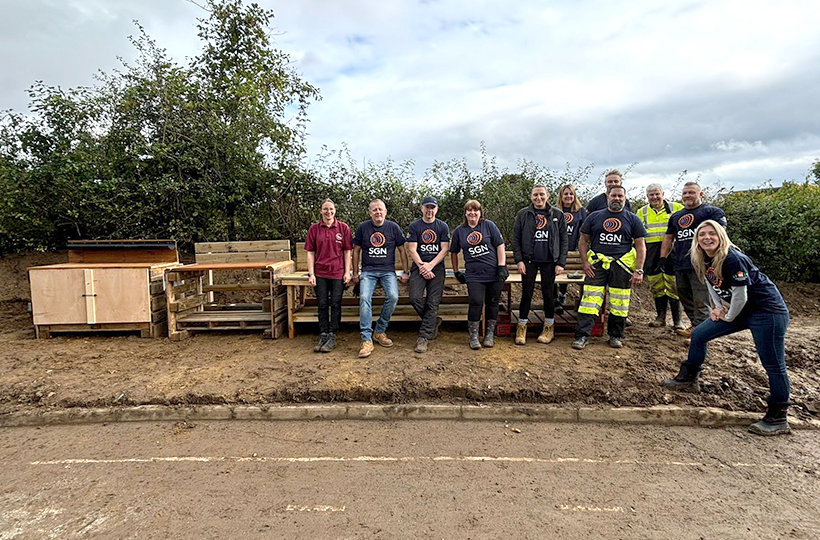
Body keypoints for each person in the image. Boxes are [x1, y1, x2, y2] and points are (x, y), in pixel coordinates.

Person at [663, 220, 791, 436]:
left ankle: (778, 416)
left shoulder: (733, 258)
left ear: (720, 235)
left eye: (712, 233)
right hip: (740, 310)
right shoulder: (702, 257)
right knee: (699, 335)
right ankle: (688, 378)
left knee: (773, 364)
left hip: (767, 313)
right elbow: (712, 284)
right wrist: (718, 308)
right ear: (697, 239)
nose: (707, 238)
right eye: (702, 234)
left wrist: (728, 316)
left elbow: (741, 296)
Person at [572, 185, 646, 350]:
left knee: (619, 303)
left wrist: (638, 270)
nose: (617, 199)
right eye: (614, 196)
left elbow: (641, 246)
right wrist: (585, 262)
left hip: (622, 266)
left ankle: (615, 336)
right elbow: (583, 240)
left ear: (625, 198)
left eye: (620, 196)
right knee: (589, 301)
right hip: (597, 266)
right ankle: (582, 336)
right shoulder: (594, 217)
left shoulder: (633, 219)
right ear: (607, 197)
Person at [660, 182, 727, 337]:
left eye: (691, 192)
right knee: (684, 296)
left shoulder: (712, 212)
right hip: (681, 263)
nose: (687, 196)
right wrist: (663, 257)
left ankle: (702, 334)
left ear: (700, 194)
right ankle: (696, 326)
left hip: (703, 264)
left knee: (701, 299)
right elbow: (669, 237)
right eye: (685, 193)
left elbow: (721, 234)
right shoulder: (676, 216)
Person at [351, 199, 409, 358]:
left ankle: (380, 331)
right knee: (364, 297)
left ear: (385, 212)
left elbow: (402, 250)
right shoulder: (363, 228)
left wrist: (405, 271)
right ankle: (366, 339)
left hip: (387, 271)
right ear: (370, 213)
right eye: (374, 210)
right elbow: (355, 251)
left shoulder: (393, 227)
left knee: (393, 296)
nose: (378, 212)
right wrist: (355, 273)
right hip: (368, 272)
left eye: (380, 209)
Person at [512, 184, 568, 345]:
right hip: (529, 260)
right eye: (535, 195)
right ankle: (521, 326)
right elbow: (516, 238)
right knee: (527, 294)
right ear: (531, 197)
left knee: (549, 295)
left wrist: (561, 262)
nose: (538, 198)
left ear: (548, 196)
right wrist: (519, 260)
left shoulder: (557, 214)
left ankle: (549, 327)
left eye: (541, 195)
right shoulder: (524, 214)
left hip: (550, 261)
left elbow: (564, 240)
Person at [450, 200, 507, 350]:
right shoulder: (460, 231)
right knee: (475, 302)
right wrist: (456, 271)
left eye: (475, 210)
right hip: (474, 274)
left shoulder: (488, 226)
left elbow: (500, 245)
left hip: (494, 272)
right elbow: (454, 252)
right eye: (469, 210)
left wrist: (501, 266)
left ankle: (489, 334)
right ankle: (473, 335)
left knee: (493, 302)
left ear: (480, 212)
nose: (472, 213)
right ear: (465, 213)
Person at [304, 199, 353, 353]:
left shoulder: (343, 228)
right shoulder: (314, 229)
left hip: (337, 272)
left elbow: (347, 251)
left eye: (331, 209)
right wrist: (311, 273)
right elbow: (310, 252)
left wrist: (347, 272)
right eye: (325, 209)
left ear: (335, 210)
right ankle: (323, 334)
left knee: (336, 303)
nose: (328, 212)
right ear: (320, 211)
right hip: (320, 273)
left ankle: (332, 334)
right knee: (322, 304)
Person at [636, 184, 684, 329]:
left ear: (663, 194)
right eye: (651, 195)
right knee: (656, 285)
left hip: (673, 251)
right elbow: (638, 236)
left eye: (657, 194)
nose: (655, 197)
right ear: (647, 196)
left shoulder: (676, 208)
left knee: (673, 284)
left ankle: (678, 321)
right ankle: (660, 317)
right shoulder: (641, 212)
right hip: (650, 253)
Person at [406, 196, 450, 353]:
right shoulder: (415, 226)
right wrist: (423, 267)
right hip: (419, 266)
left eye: (433, 208)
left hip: (436, 267)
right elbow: (412, 249)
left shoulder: (442, 226)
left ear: (436, 209)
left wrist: (431, 265)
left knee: (433, 302)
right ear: (422, 208)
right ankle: (433, 321)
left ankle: (423, 337)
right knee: (415, 298)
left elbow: (445, 249)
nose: (429, 210)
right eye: (427, 207)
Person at [555, 184, 587, 310]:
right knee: (554, 274)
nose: (568, 196)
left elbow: (584, 232)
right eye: (566, 194)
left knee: (566, 274)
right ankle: (554, 300)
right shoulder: (555, 211)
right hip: (556, 249)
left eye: (571, 194)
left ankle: (563, 294)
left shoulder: (580, 211)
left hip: (573, 248)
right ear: (561, 196)